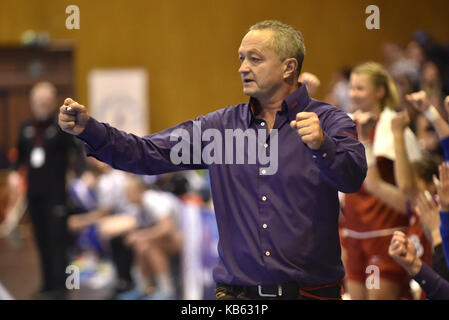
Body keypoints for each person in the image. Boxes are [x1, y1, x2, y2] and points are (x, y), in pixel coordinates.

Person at [58, 20, 367, 300]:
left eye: (255, 59)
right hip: (236, 298)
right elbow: (146, 153)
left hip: (310, 295)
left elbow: (352, 178)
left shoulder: (329, 121)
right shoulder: (219, 129)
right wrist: (91, 130)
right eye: (241, 58)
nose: (243, 67)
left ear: (289, 67)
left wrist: (323, 145)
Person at [342, 62, 422, 300]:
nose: (353, 93)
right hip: (354, 233)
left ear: (380, 91)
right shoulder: (345, 125)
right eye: (352, 87)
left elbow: (413, 190)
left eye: (360, 88)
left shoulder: (397, 129)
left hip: (385, 234)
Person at [10, 81, 84, 299]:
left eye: (46, 101)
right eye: (38, 101)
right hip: (34, 194)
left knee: (57, 239)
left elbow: (77, 154)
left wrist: (84, 174)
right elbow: (19, 157)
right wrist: (14, 173)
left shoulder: (61, 127)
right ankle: (47, 285)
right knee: (41, 239)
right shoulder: (26, 127)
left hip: (56, 194)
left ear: (52, 102)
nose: (41, 105)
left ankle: (63, 287)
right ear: (32, 103)